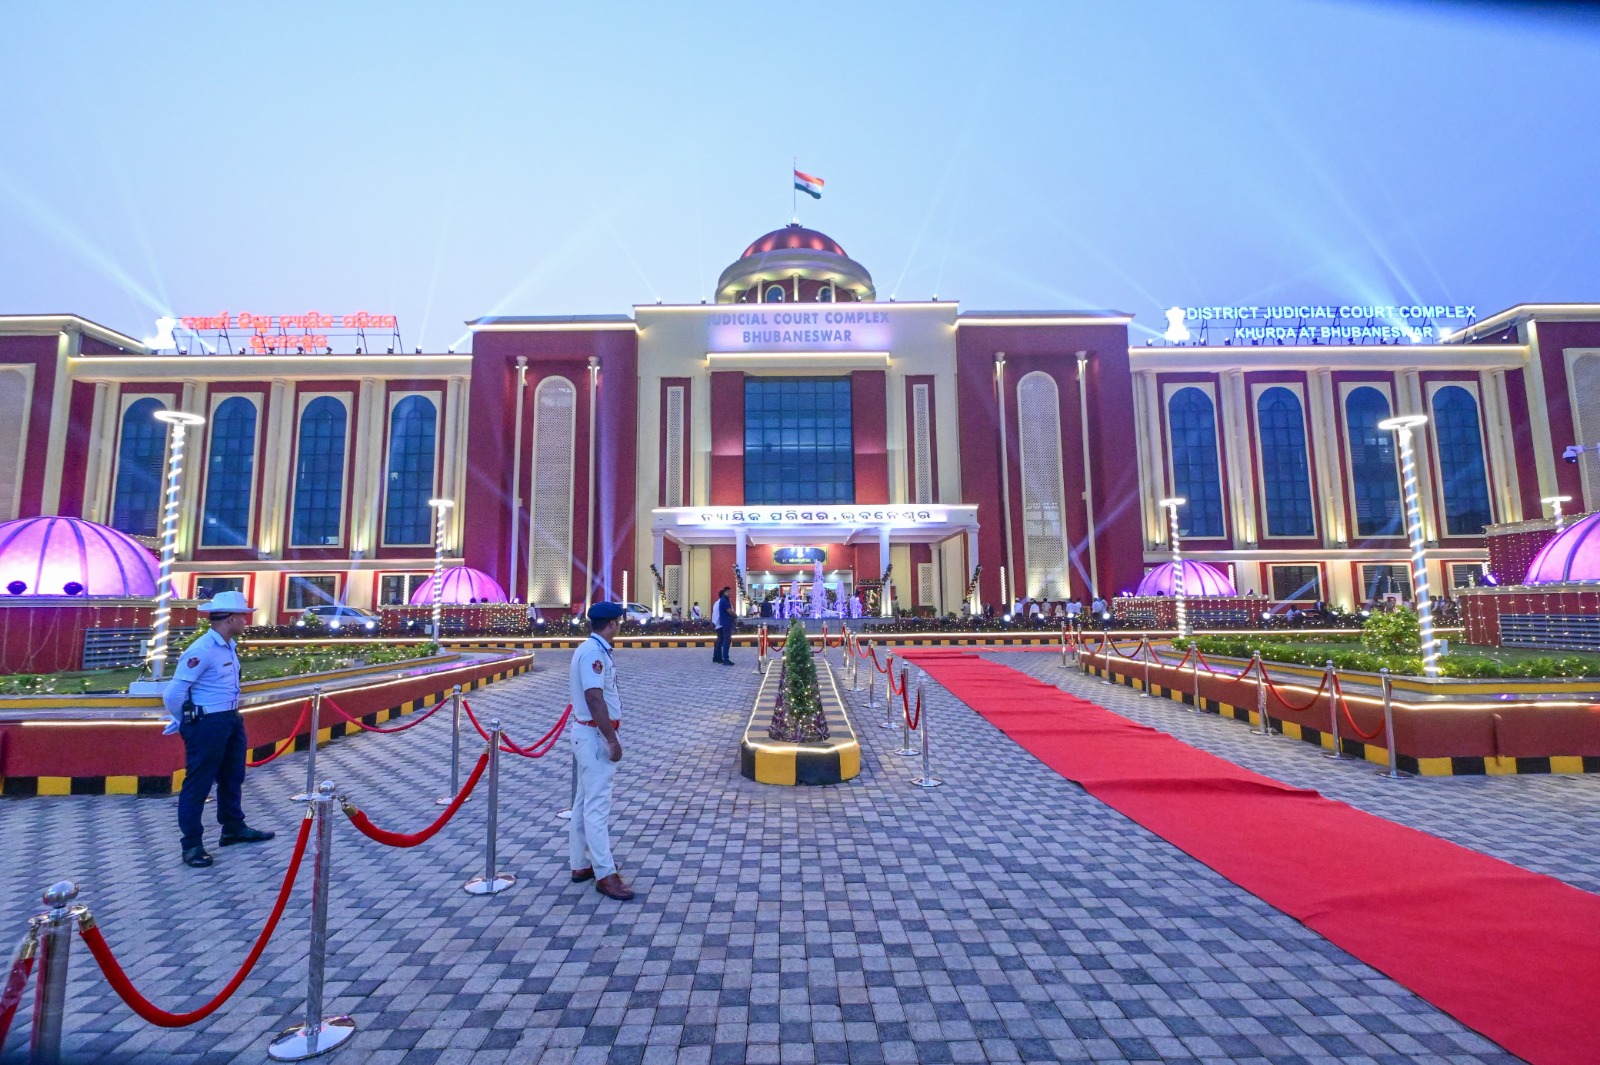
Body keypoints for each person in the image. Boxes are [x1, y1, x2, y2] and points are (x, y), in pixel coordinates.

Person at [162, 590, 276, 868]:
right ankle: (192, 845)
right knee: (198, 784)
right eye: (243, 617)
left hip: (229, 718)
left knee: (232, 776)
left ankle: (233, 827)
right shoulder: (203, 649)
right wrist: (186, 721)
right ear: (232, 619)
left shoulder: (227, 645)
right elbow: (174, 692)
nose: (246, 622)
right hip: (208, 722)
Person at [568, 601, 634, 900]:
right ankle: (606, 874)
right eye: (618, 623)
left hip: (588, 733)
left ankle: (581, 863)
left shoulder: (590, 648)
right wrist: (612, 739)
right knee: (596, 807)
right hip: (595, 736)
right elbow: (594, 698)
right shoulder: (594, 653)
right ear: (611, 624)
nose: (619, 627)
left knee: (583, 802)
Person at [712, 586, 736, 664]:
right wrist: (735, 616)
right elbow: (729, 612)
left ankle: (717, 657)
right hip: (722, 624)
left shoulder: (717, 602)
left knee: (719, 641)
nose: (730, 593)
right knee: (723, 641)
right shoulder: (723, 601)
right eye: (728, 592)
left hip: (718, 623)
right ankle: (722, 658)